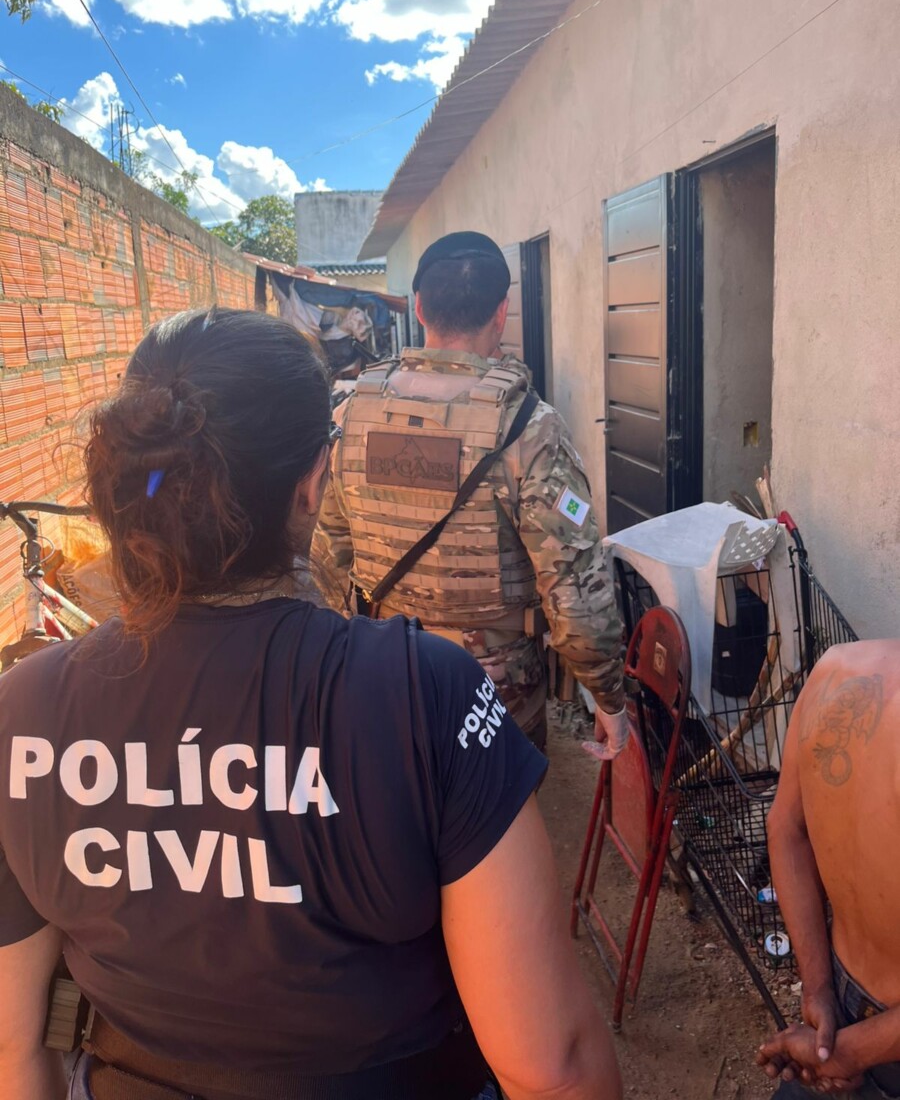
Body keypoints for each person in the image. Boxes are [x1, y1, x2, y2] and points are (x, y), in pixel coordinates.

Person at [0, 308, 623, 1100]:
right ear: (310, 485)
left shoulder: (22, 709)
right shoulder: (422, 695)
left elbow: (14, 1048)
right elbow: (551, 1067)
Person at [314, 231, 626, 756]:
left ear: (418, 307)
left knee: (401, 801)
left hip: (384, 671)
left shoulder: (351, 414)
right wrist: (608, 698)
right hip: (496, 690)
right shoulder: (530, 427)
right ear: (501, 313)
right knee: (502, 806)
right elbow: (574, 587)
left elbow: (329, 554)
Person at [758, 640, 900, 1098]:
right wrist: (852, 1052)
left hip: (840, 994)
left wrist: (818, 989)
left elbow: (785, 829)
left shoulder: (834, 668)